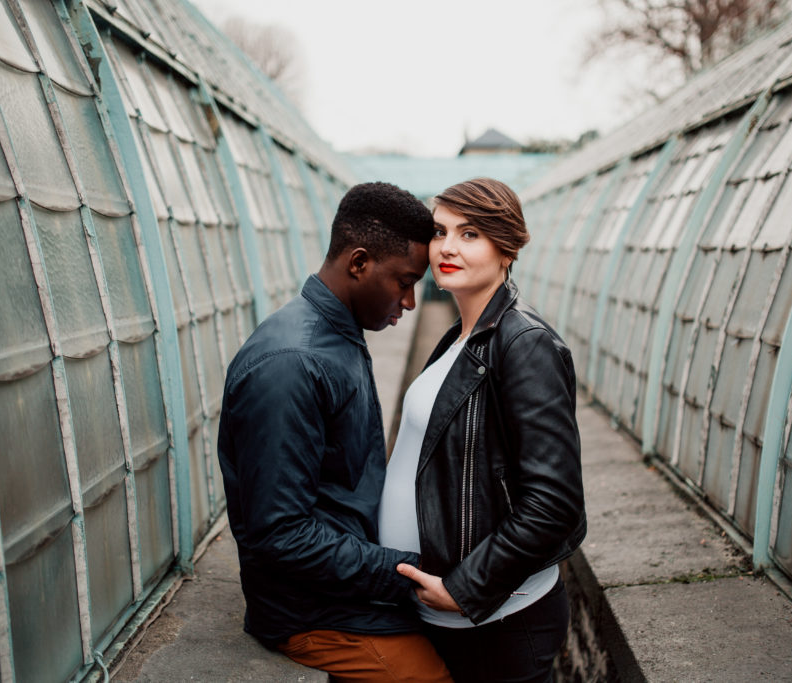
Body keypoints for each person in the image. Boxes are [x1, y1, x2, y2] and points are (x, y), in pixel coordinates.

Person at [217, 182, 453, 682]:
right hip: (312, 614)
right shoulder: (292, 365)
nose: (410, 302)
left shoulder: (338, 334)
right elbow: (281, 534)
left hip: (345, 590)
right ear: (359, 263)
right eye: (405, 282)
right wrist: (406, 573)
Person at [379, 178, 586, 683]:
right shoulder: (459, 339)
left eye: (470, 234)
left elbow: (555, 504)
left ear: (507, 248)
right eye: (440, 232)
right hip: (448, 617)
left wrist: (466, 587)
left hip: (498, 624)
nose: (447, 247)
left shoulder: (524, 345)